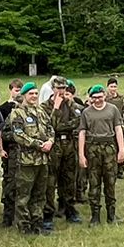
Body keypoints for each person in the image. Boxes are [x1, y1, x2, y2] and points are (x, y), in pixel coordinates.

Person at [6, 83, 55, 234]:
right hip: (26, 161)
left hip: (43, 160)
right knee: (24, 195)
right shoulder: (17, 113)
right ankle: (24, 225)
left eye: (36, 93)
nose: (34, 96)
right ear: (24, 95)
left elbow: (50, 129)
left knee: (40, 194)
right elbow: (18, 135)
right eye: (31, 94)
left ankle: (37, 223)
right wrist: (38, 144)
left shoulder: (41, 111)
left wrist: (50, 141)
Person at [79, 82, 124, 224]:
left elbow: (118, 130)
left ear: (104, 96)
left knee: (110, 181)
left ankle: (111, 216)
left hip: (109, 148)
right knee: (94, 182)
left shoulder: (113, 110)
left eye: (100, 97)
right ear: (90, 98)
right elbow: (82, 133)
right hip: (93, 149)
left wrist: (121, 150)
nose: (98, 100)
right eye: (95, 97)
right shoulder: (86, 112)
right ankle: (95, 217)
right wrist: (81, 154)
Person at [47, 78, 85, 224]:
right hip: (54, 145)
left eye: (64, 88)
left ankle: (69, 210)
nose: (61, 91)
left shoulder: (71, 104)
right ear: (52, 88)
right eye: (58, 88)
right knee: (51, 181)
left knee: (69, 179)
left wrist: (62, 125)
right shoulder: (45, 106)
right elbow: (52, 126)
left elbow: (78, 121)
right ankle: (48, 213)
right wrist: (56, 109)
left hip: (69, 145)